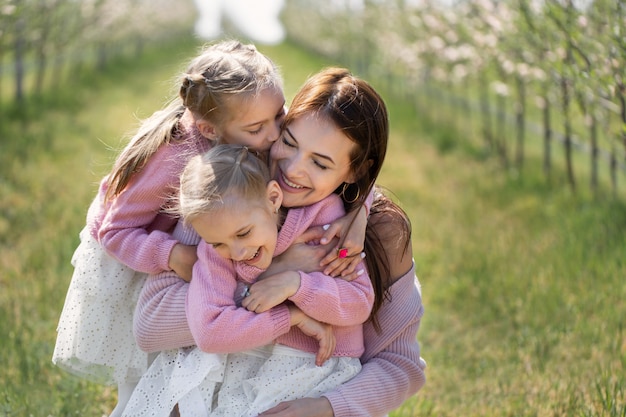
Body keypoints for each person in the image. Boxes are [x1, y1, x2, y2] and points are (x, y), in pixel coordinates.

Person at [132, 67, 427, 416]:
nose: (292, 170)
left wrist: (326, 408)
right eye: (288, 142)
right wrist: (272, 278)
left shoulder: (372, 232)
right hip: (223, 374)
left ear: (356, 170)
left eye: (320, 163)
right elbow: (150, 327)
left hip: (306, 382)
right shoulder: (229, 194)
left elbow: (399, 365)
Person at [52, 39, 286, 417]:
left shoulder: (252, 126)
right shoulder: (174, 154)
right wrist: (171, 255)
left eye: (278, 116)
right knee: (145, 374)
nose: (275, 134)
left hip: (193, 242)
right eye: (260, 127)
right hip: (133, 251)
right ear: (210, 129)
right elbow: (115, 232)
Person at [123, 144, 373, 416]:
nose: (238, 253)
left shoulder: (323, 218)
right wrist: (290, 317)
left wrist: (295, 284)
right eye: (218, 242)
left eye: (244, 233)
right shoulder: (214, 252)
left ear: (273, 198)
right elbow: (209, 331)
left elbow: (359, 302)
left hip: (318, 365)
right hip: (249, 359)